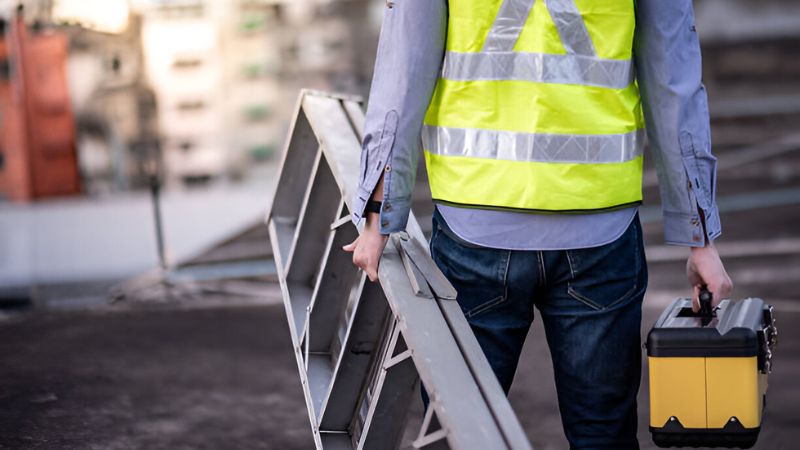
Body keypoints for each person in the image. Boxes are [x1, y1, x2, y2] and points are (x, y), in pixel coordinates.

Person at [344, 0, 733, 448]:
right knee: (602, 435)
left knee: (461, 431)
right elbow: (673, 84)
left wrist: (378, 215)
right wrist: (700, 238)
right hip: (599, 230)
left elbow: (403, 72)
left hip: (475, 227)